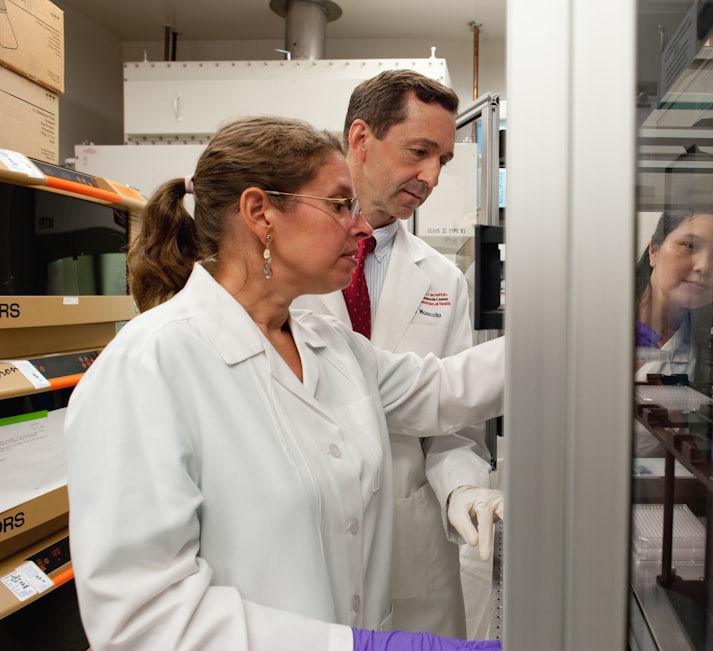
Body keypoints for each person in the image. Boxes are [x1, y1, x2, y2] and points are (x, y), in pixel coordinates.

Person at [62, 115, 503, 651]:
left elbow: (444, 388)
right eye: (341, 205)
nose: (362, 228)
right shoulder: (149, 367)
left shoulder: (331, 345)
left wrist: (592, 337)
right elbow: (146, 620)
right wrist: (355, 647)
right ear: (259, 212)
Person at [294, 69, 501, 639]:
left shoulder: (441, 278)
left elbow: (452, 420)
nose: (431, 176)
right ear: (361, 140)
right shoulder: (289, 266)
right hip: (311, 538)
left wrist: (462, 486)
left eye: (444, 161)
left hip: (413, 546)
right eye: (419, 151)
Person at [634, 208, 713, 382]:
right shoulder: (602, 323)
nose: (704, 266)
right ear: (654, 250)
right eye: (689, 246)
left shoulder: (708, 349)